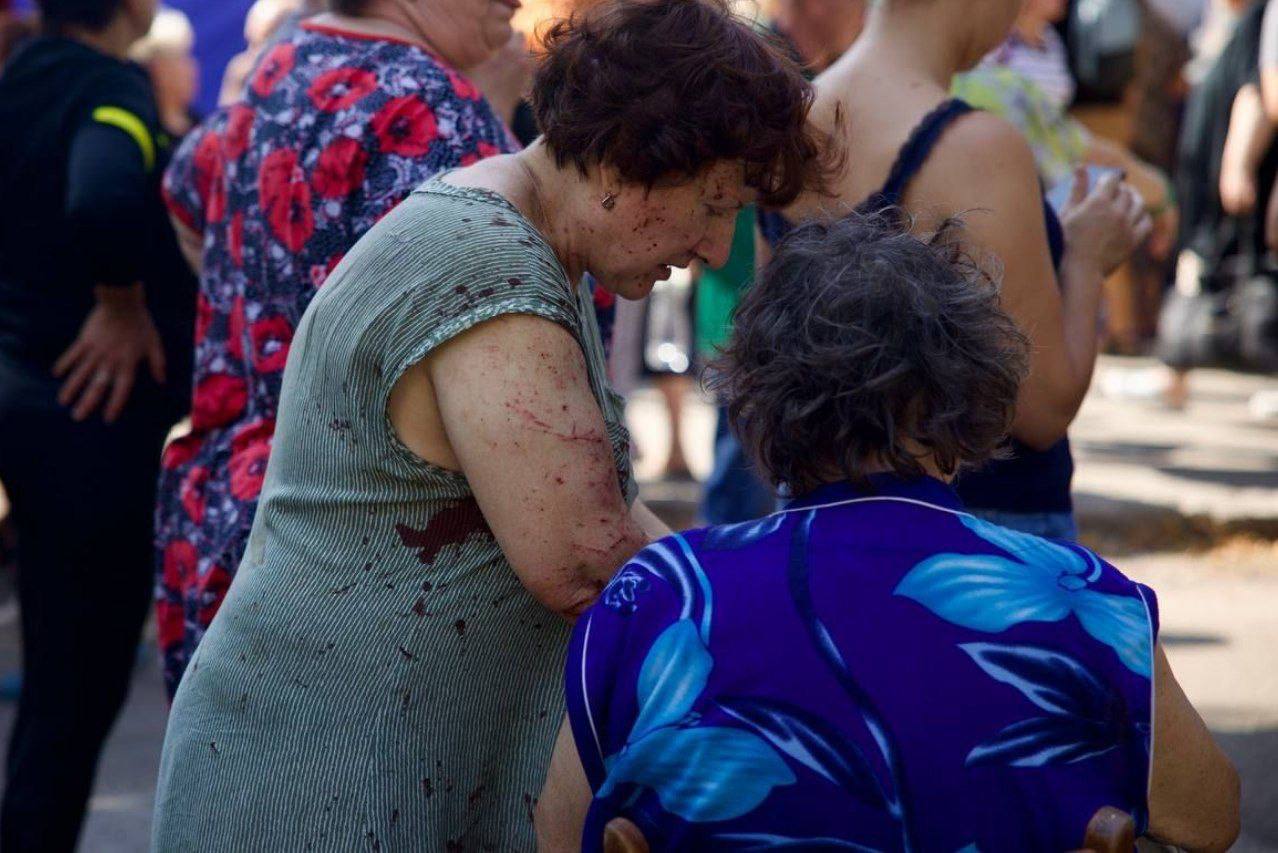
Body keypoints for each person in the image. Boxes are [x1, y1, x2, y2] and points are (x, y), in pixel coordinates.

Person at [152, 0, 831, 848]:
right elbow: (584, 557)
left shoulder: (520, 241)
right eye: (713, 202)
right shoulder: (488, 263)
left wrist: (772, 602)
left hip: (364, 770)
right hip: (318, 786)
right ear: (632, 157)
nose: (715, 246)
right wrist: (798, 631)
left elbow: (611, 521)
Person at [537, 211, 1240, 852]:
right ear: (969, 393)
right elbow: (1213, 818)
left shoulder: (657, 596)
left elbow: (558, 831)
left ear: (760, 400)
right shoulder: (1085, 600)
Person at [153, 0, 521, 698]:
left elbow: (182, 192)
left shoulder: (283, 62)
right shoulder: (436, 109)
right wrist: (494, 121)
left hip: (220, 516)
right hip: (350, 548)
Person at [770, 0, 1151, 540]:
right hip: (975, 533)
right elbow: (1041, 411)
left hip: (816, 522)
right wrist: (1085, 261)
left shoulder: (791, 122)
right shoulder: (977, 149)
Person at [0, 0, 196, 847]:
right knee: (73, 688)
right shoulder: (109, 84)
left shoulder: (21, 79)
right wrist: (120, 304)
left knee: (55, 684)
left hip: (34, 403)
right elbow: (104, 194)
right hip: (85, 420)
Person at [129, 6, 199, 136]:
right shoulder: (142, 131)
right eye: (181, 57)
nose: (192, 66)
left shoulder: (199, 125)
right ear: (157, 69)